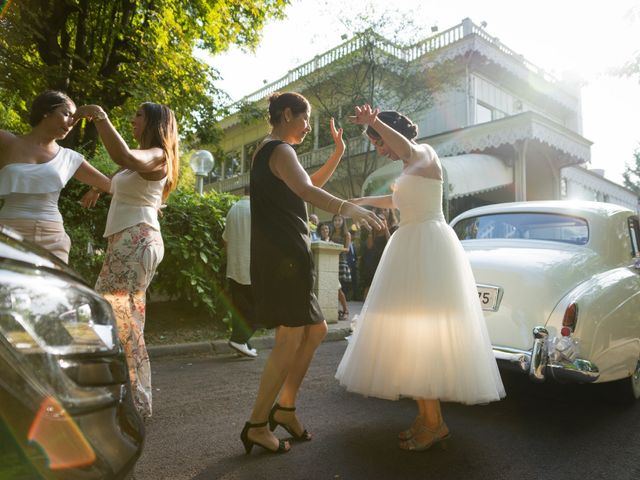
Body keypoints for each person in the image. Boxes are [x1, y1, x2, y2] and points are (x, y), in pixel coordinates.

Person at [335, 105, 505, 451]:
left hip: (428, 245)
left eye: (379, 141)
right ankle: (426, 417)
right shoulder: (406, 168)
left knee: (423, 330)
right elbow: (396, 200)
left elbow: (406, 148)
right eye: (375, 142)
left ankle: (435, 423)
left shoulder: (423, 153)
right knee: (407, 332)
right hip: (409, 244)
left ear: (391, 134)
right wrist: (363, 201)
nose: (379, 148)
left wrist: (375, 122)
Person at [241, 92, 382, 455]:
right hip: (284, 255)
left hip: (284, 254)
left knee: (316, 329)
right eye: (304, 119)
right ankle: (258, 424)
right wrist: (348, 207)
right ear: (287, 114)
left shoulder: (268, 150)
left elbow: (307, 184)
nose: (307, 127)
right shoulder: (280, 151)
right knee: (289, 338)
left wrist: (337, 153)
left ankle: (285, 408)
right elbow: (307, 189)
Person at [75, 101, 180, 419]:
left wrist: (100, 116)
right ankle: (122, 396)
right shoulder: (139, 163)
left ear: (153, 124)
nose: (133, 120)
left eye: (138, 116)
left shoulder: (158, 155)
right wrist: (98, 187)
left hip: (137, 241)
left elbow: (122, 156)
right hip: (127, 242)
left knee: (122, 321)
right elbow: (118, 181)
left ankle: (134, 402)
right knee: (113, 319)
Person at [0, 90, 111, 263]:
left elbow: (112, 186)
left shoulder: (70, 157)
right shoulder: (6, 141)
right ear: (46, 111)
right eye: (66, 114)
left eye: (74, 118)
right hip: (8, 233)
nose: (71, 122)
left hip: (53, 237)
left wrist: (96, 111)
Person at [223, 185, 257, 358]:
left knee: (240, 310)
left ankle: (243, 345)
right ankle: (239, 339)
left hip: (234, 268)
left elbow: (226, 240)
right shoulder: (258, 210)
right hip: (252, 269)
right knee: (258, 310)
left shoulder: (233, 209)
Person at [359, 211, 390, 301]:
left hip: (383, 261)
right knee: (369, 284)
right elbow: (369, 246)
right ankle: (366, 306)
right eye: (378, 220)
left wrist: (386, 229)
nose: (379, 222)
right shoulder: (372, 233)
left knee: (382, 284)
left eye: (382, 220)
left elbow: (389, 243)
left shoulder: (387, 232)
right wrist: (371, 231)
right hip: (372, 263)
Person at [329, 214, 351, 320]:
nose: (337, 222)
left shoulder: (346, 234)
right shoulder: (331, 233)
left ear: (343, 222)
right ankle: (337, 310)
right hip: (331, 261)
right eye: (335, 220)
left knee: (338, 288)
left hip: (341, 261)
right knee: (333, 287)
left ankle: (346, 310)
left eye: (339, 220)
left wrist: (336, 248)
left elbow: (347, 249)